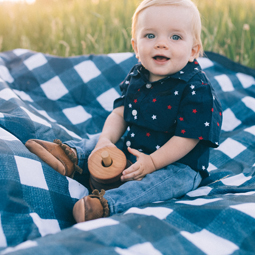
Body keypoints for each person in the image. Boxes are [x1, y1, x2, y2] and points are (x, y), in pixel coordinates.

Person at [25, 0, 222, 223]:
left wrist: (153, 163)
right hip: (134, 145)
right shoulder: (137, 76)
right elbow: (120, 114)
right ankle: (72, 157)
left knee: (158, 185)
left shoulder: (197, 87)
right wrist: (106, 141)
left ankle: (106, 203)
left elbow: (187, 138)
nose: (161, 44)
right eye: (150, 35)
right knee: (101, 141)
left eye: (175, 37)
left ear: (193, 50)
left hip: (179, 164)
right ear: (136, 47)